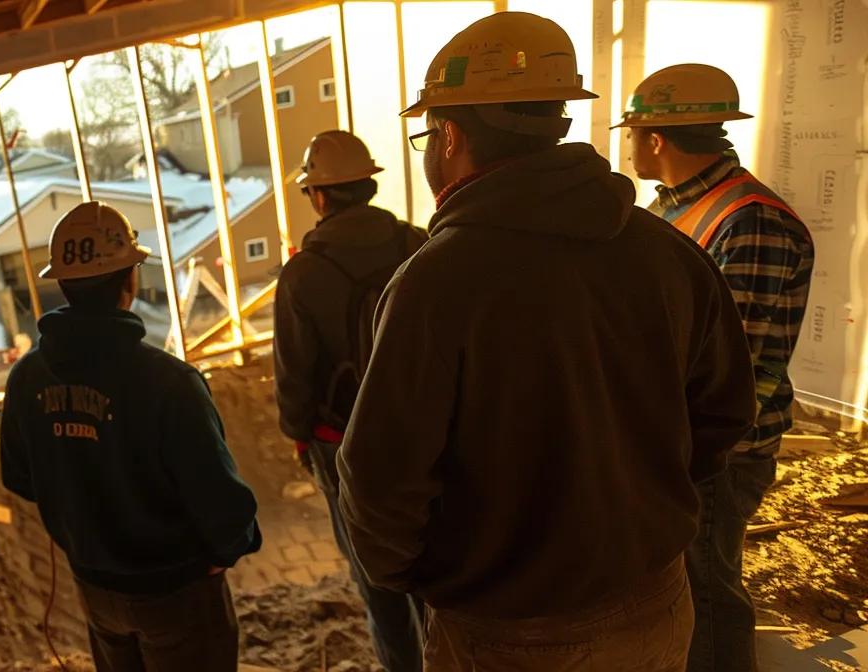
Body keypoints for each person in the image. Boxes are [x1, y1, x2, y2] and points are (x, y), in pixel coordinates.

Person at [334, 12, 758, 671]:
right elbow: (725, 412)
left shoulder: (434, 285)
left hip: (511, 630)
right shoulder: (665, 250)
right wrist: (641, 505)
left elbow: (381, 478)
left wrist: (429, 574)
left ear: (448, 135)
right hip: (657, 602)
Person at [0, 201, 261, 672]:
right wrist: (227, 549)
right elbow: (219, 497)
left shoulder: (26, 379)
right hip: (176, 591)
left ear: (62, 283)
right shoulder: (169, 382)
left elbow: (20, 477)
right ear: (130, 281)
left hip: (94, 589)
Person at [618, 63, 817, 671]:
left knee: (706, 592)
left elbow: (728, 362)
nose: (628, 146)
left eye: (632, 134)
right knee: (683, 587)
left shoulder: (748, 219)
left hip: (720, 449)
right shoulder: (672, 209)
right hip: (677, 438)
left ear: (655, 139)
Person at [272, 130, 427, 672]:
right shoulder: (417, 243)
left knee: (376, 578)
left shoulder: (303, 273)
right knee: (434, 560)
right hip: (426, 431)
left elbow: (294, 377)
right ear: (368, 185)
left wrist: (300, 437)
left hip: (343, 444)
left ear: (319, 196)